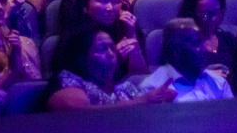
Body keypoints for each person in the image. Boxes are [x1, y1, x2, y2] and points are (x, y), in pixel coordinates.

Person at [45, 26, 176, 110]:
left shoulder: (125, 89)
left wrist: (163, 100)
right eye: (102, 49)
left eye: (112, 48)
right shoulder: (67, 80)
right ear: (81, 57)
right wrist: (144, 100)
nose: (111, 54)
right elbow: (79, 114)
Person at [139, 18, 233, 102]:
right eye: (196, 43)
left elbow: (231, 115)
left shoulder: (218, 83)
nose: (205, 49)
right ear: (176, 50)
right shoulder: (152, 88)